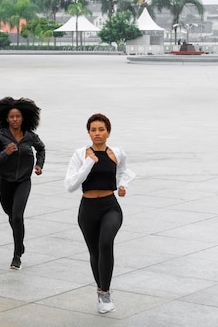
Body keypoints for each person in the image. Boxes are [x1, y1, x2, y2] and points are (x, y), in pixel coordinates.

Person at [64, 113, 135, 314]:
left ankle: (105, 292)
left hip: (110, 206)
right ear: (88, 132)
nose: (97, 133)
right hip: (87, 208)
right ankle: (100, 290)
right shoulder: (80, 155)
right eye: (93, 130)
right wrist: (88, 163)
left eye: (101, 129)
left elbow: (123, 172)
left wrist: (122, 186)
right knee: (95, 251)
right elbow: (70, 185)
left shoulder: (117, 153)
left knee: (105, 243)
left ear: (108, 132)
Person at [0, 97, 45, 270]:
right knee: (11, 216)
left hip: (23, 181)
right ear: (6, 118)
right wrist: (6, 152)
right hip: (5, 182)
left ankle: (17, 254)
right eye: (11, 117)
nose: (15, 120)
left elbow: (41, 148)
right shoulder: (0, 136)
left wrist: (39, 165)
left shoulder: (30, 136)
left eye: (18, 116)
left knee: (17, 216)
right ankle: (20, 242)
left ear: (24, 117)